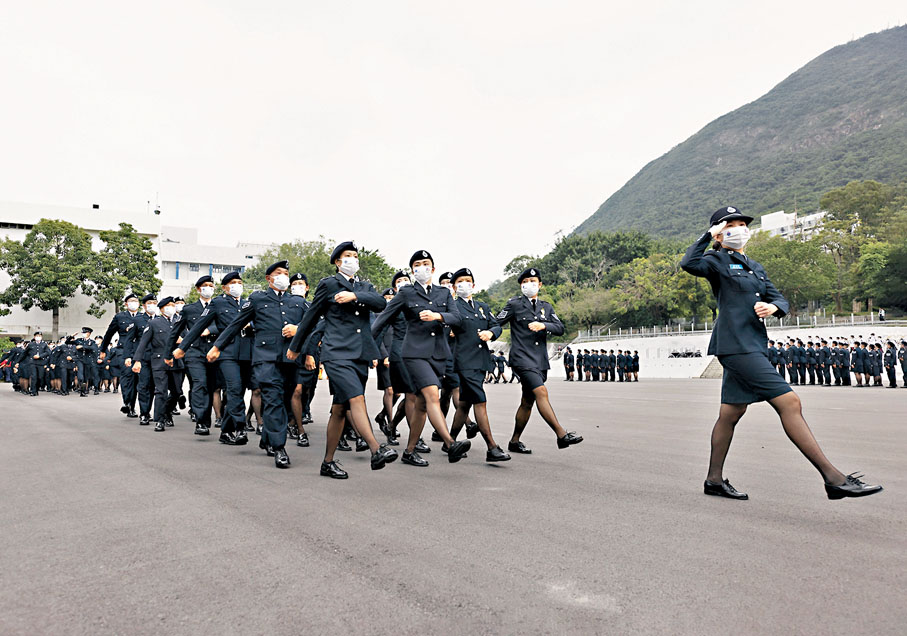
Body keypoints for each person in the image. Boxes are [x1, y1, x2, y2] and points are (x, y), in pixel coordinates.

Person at [680, 205, 882, 500]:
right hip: (736, 346)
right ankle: (833, 478)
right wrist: (708, 236)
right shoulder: (714, 260)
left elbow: (779, 298)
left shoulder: (755, 266)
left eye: (741, 223)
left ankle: (713, 480)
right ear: (719, 234)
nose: (739, 228)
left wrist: (773, 307)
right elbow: (689, 262)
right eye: (730, 224)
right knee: (790, 402)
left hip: (753, 345)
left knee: (731, 413)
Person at [287, 243, 398, 478]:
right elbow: (311, 316)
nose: (353, 259)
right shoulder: (329, 284)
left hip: (360, 354)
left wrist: (355, 295)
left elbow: (381, 303)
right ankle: (376, 449)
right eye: (348, 256)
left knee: (339, 409)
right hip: (336, 352)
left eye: (356, 256)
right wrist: (296, 347)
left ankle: (327, 462)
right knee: (356, 397)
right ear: (338, 262)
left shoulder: (364, 286)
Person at [370, 249, 470, 467]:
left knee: (423, 404)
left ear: (433, 269)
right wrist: (368, 348)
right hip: (414, 353)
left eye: (425, 263)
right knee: (432, 394)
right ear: (412, 270)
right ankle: (451, 443)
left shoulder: (444, 294)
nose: (421, 268)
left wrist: (438, 316)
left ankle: (409, 451)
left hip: (438, 355)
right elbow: (383, 320)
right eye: (416, 265)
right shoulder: (406, 293)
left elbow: (458, 319)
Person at [210, 260, 307, 469]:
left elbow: (314, 323)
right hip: (265, 359)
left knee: (284, 399)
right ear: (268, 278)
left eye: (285, 273)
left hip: (290, 360)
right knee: (272, 400)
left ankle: (267, 439)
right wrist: (218, 346)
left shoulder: (298, 303)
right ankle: (279, 447)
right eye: (278, 273)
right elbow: (235, 325)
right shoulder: (257, 299)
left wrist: (298, 329)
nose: (283, 276)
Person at [495, 267, 582, 454]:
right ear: (520, 285)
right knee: (541, 392)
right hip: (521, 358)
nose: (529, 285)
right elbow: (496, 322)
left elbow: (560, 328)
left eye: (533, 282)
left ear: (540, 285)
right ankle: (561, 435)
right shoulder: (514, 304)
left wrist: (543, 324)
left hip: (540, 361)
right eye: (525, 282)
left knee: (527, 401)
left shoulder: (546, 307)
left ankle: (514, 441)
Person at [174, 271, 253, 445]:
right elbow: (198, 326)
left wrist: (251, 324)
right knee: (233, 388)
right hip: (226, 353)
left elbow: (260, 322)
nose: (237, 286)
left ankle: (226, 431)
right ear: (225, 287)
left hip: (246, 354)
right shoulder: (218, 303)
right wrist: (182, 348)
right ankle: (240, 427)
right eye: (232, 282)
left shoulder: (248, 304)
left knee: (238, 392)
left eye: (239, 282)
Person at [446, 267, 510, 461]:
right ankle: (492, 447)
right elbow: (442, 325)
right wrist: (448, 330)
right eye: (460, 281)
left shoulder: (482, 306)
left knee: (464, 404)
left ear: (473, 285)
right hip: (464, 361)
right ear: (454, 287)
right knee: (480, 401)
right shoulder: (452, 306)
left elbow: (496, 324)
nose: (464, 284)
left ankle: (449, 441)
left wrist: (491, 333)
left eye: (467, 280)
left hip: (481, 359)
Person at [171, 276, 219, 435]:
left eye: (211, 286)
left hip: (213, 351)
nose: (208, 288)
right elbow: (175, 332)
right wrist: (168, 353)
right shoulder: (189, 309)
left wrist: (210, 330)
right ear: (198, 289)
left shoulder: (218, 306)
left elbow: (226, 325)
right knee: (199, 383)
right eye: (205, 286)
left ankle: (206, 418)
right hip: (194, 352)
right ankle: (200, 421)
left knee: (211, 386)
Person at [132, 296, 181, 432]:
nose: (172, 307)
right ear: (162, 309)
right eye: (169, 305)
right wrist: (137, 360)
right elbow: (143, 343)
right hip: (159, 361)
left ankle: (167, 412)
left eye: (173, 305)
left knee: (177, 391)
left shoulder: (179, 321)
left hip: (176, 361)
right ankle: (159, 420)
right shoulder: (154, 323)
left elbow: (187, 338)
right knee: (161, 391)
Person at [99, 293, 142, 417]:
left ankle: (136, 406)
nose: (134, 303)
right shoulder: (120, 317)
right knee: (127, 377)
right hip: (123, 351)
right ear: (126, 304)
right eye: (131, 301)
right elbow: (109, 333)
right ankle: (128, 404)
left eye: (136, 301)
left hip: (139, 351)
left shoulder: (143, 317)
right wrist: (103, 349)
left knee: (138, 380)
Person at [23, 331, 50, 396]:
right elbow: (25, 353)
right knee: (33, 376)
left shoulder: (44, 344)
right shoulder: (30, 344)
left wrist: (40, 356)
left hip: (41, 363)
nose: (38, 337)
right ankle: (33, 391)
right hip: (32, 362)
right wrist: (18, 362)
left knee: (40, 377)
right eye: (37, 336)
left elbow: (48, 352)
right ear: (34, 337)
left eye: (40, 336)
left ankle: (36, 389)